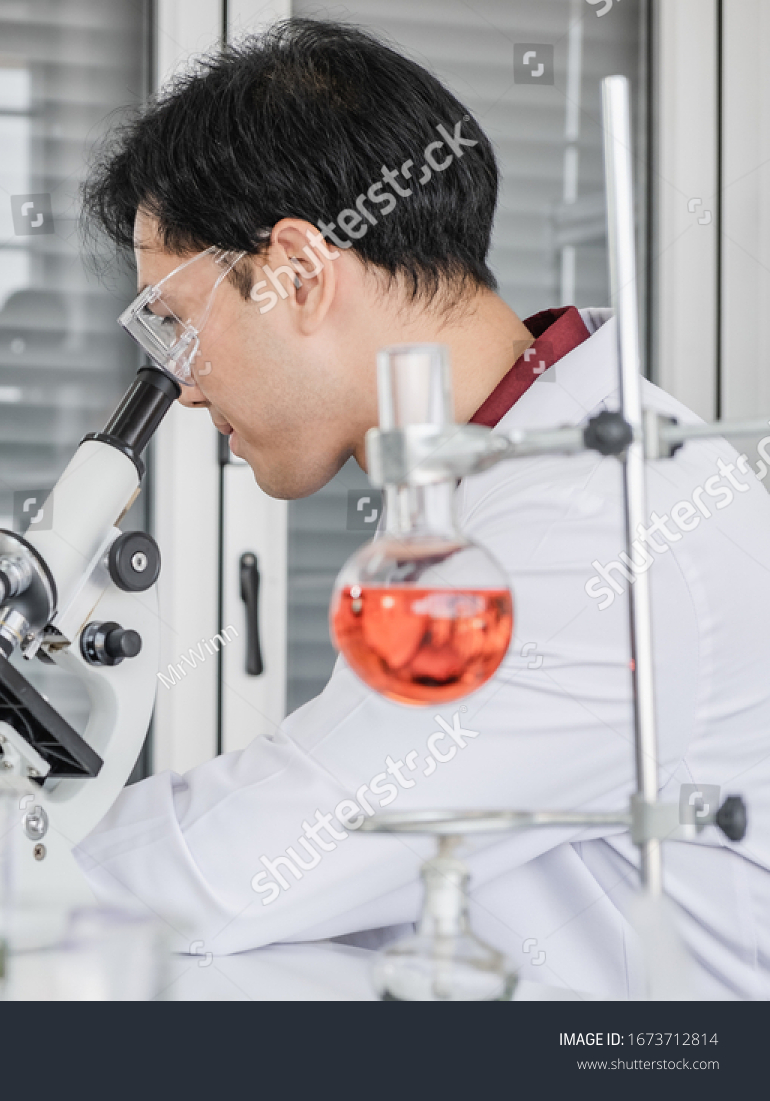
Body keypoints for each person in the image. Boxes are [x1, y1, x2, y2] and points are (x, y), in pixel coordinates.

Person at [75, 20, 770, 998]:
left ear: (302, 273)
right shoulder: (504, 477)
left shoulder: (589, 530)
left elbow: (240, 868)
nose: (180, 388)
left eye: (179, 326)